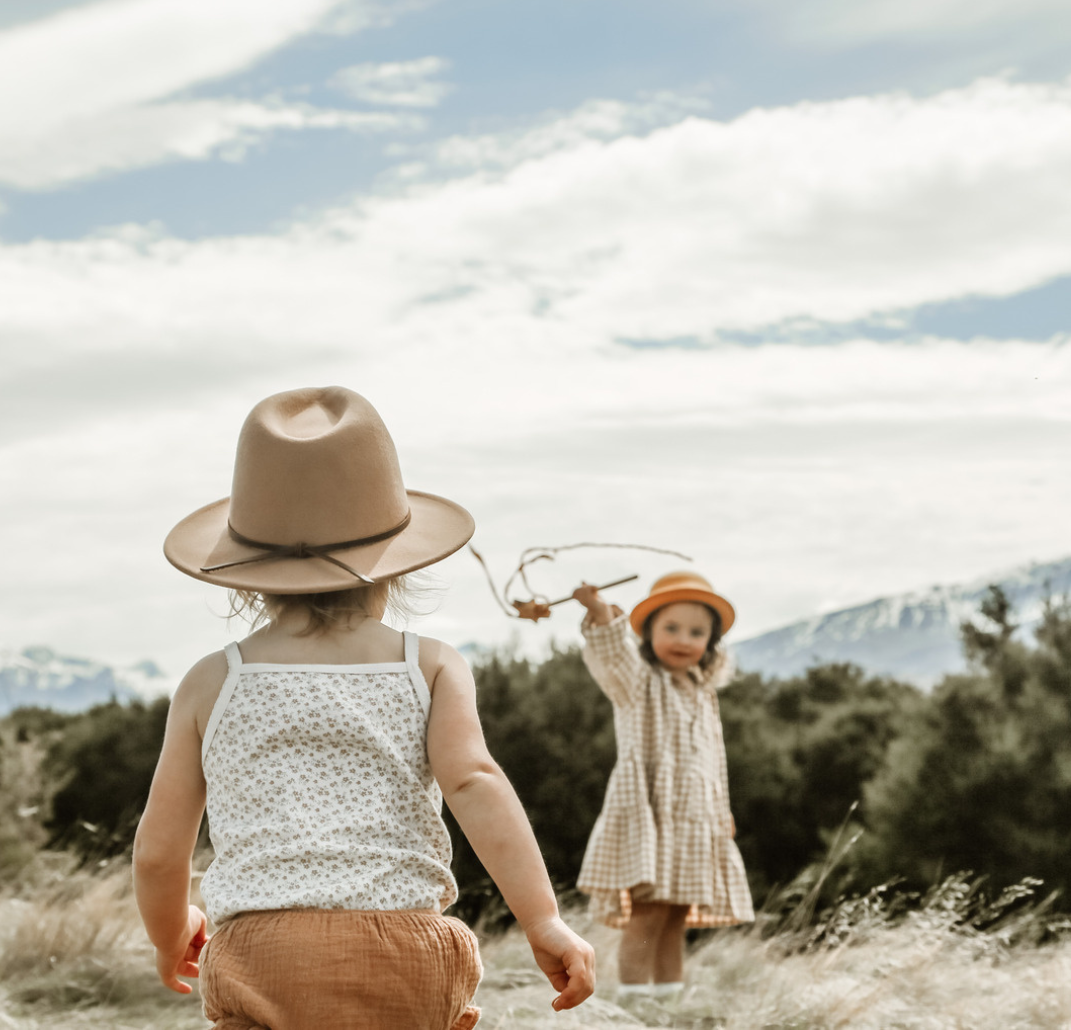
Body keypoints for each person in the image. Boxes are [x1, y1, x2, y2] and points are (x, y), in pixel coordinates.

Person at [133, 386, 594, 1029]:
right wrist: (542, 919)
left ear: (244, 576)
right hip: (409, 950)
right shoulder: (430, 665)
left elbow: (159, 854)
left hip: (261, 955)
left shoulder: (211, 681)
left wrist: (171, 930)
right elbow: (474, 781)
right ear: (394, 566)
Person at [572, 572, 753, 1006]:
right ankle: (633, 1005)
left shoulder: (701, 692)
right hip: (651, 814)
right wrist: (599, 612)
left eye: (696, 632)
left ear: (710, 643)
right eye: (670, 628)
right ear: (648, 631)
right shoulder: (639, 682)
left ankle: (669, 1006)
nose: (683, 639)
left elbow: (715, 758)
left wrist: (722, 808)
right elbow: (613, 655)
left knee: (676, 915)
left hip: (695, 819)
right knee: (648, 912)